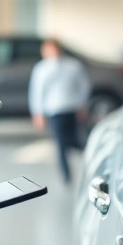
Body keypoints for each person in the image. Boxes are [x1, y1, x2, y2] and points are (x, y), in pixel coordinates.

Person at [29, 39, 91, 184]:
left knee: (74, 141)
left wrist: (82, 104)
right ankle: (66, 174)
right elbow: (37, 92)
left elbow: (83, 86)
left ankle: (88, 163)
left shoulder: (73, 66)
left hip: (71, 108)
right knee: (60, 143)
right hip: (54, 110)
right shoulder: (41, 68)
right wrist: (38, 112)